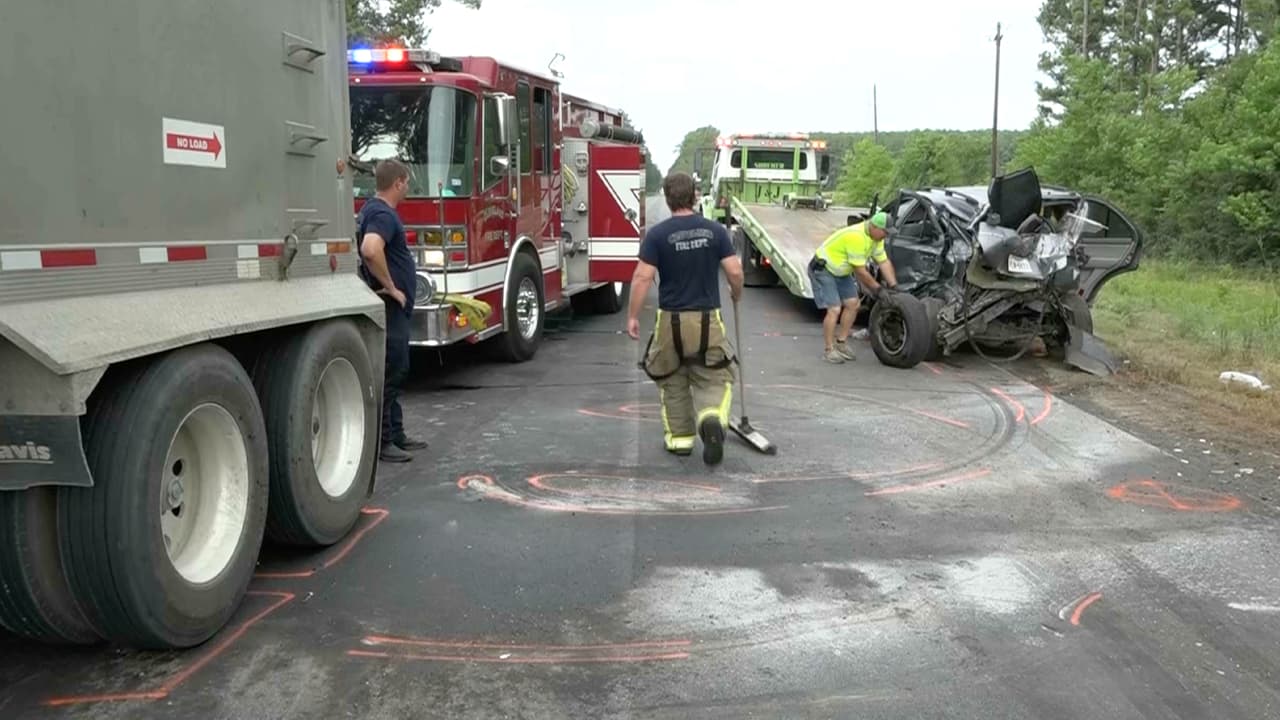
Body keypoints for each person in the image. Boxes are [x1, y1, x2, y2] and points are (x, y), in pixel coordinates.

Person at [627, 172, 745, 465]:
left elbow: (642, 277)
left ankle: (680, 440)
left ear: (667, 199)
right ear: (694, 196)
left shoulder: (657, 235)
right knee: (714, 373)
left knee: (671, 376)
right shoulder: (715, 231)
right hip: (707, 319)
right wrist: (736, 292)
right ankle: (711, 418)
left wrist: (632, 316)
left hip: (670, 321)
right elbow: (734, 270)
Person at [356, 159, 429, 463]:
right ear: (398, 183)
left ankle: (396, 432)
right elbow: (370, 249)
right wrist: (392, 287)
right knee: (392, 370)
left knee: (395, 368)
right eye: (407, 183)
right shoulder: (383, 214)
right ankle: (384, 441)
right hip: (390, 305)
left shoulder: (372, 210)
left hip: (392, 306)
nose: (408, 188)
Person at [807, 211, 899, 364]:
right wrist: (878, 290)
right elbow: (860, 271)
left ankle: (841, 343)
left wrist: (894, 286)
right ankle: (829, 350)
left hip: (841, 271)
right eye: (885, 232)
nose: (886, 236)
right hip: (824, 269)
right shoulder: (856, 237)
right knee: (834, 309)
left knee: (853, 304)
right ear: (874, 227)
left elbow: (883, 262)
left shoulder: (876, 239)